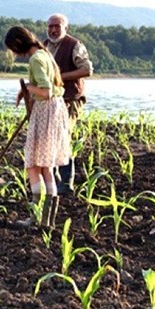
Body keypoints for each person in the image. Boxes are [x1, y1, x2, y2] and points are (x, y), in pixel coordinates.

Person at [4, 26, 71, 228]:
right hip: (54, 111)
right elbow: (53, 87)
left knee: (34, 165)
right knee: (46, 167)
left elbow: (46, 91)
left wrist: (27, 88)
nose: (14, 53)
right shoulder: (45, 53)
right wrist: (26, 91)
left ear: (18, 44)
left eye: (13, 49)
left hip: (46, 111)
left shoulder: (36, 58)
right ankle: (46, 221)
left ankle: (36, 218)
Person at [44, 13, 93, 194]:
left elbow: (87, 69)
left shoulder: (74, 45)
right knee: (50, 137)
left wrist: (60, 77)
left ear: (65, 28)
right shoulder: (44, 46)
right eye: (50, 26)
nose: (53, 29)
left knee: (63, 136)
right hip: (50, 99)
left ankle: (66, 183)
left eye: (57, 26)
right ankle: (54, 179)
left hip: (70, 98)